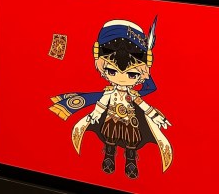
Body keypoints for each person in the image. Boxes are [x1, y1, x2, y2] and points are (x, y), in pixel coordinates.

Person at [49, 18, 172, 180]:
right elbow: (101, 103)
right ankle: (109, 157)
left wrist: (156, 117)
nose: (121, 77)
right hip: (111, 119)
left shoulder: (133, 95)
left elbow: (143, 105)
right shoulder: (109, 92)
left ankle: (130, 161)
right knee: (110, 138)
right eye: (112, 71)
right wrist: (94, 114)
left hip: (130, 121)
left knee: (131, 142)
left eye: (132, 74)